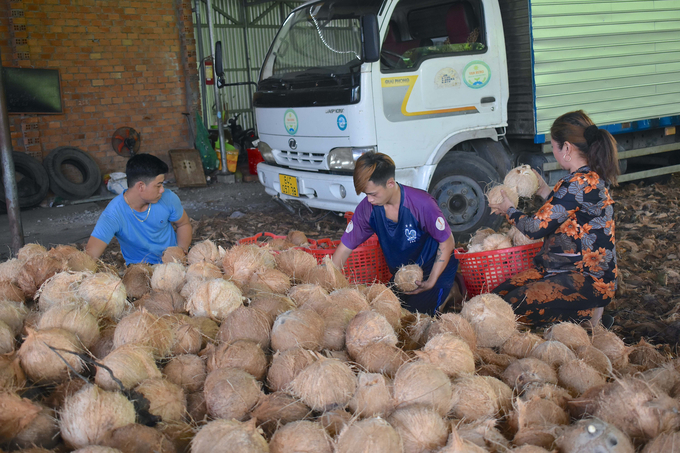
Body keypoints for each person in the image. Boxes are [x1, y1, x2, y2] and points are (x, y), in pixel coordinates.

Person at [488, 110, 619, 326]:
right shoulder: (586, 178)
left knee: (509, 306)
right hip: (559, 270)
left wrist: (509, 209)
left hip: (585, 279)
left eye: (553, 146)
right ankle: (584, 314)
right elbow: (564, 212)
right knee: (497, 296)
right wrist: (542, 190)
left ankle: (585, 315)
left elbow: (534, 228)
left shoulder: (577, 183)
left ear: (566, 148)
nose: (553, 152)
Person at [332, 152, 456, 315]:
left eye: (373, 193)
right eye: (366, 194)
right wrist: (328, 284)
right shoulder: (368, 208)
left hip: (433, 269)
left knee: (413, 320)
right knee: (382, 313)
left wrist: (432, 281)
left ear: (390, 183)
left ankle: (453, 289)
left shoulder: (422, 204)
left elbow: (448, 242)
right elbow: (345, 248)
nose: (369, 199)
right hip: (402, 276)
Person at [86, 154, 192, 265]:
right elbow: (91, 255)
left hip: (173, 263)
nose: (162, 190)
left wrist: (182, 251)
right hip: (140, 270)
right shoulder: (113, 213)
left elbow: (183, 224)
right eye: (158, 185)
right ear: (141, 186)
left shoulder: (168, 198)